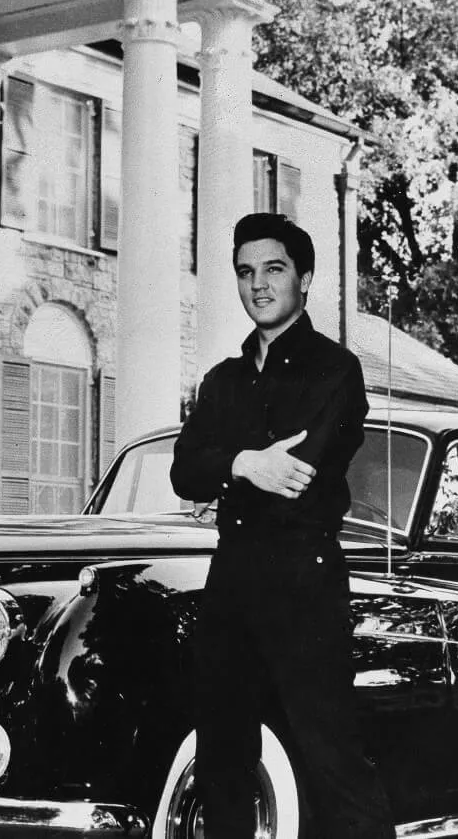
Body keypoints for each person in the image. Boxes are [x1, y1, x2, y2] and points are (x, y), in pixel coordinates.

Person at [170, 213, 393, 839]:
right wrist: (246, 462)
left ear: (305, 278)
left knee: (331, 756)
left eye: (274, 269)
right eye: (245, 272)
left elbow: (298, 475)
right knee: (222, 758)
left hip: (304, 580)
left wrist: (233, 461)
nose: (258, 285)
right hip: (231, 582)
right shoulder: (221, 379)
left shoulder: (336, 370)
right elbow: (185, 471)